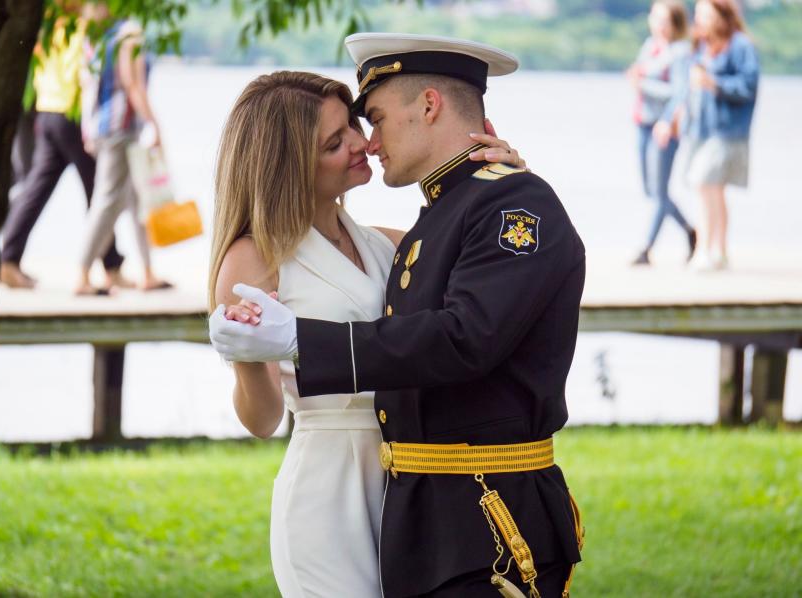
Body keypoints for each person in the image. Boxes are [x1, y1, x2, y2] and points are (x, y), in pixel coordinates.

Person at [210, 33, 586, 597]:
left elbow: (476, 286)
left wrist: (501, 183)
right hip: (330, 487)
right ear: (292, 162)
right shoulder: (257, 254)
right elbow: (262, 419)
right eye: (335, 141)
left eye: (365, 124)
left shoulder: (391, 245)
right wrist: (248, 357)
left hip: (411, 495)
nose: (364, 143)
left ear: (428, 105)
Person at [0, 8, 128, 290]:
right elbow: (88, 77)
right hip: (72, 115)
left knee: (37, 188)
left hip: (47, 112)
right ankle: (111, 267)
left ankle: (8, 259)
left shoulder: (49, 28)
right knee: (99, 190)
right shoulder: (82, 30)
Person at [75, 5, 171, 295]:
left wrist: (87, 130)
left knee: (137, 198)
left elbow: (86, 86)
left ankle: (147, 271)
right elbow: (133, 85)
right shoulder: (129, 36)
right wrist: (156, 127)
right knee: (106, 203)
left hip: (101, 127)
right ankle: (81, 274)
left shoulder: (93, 36)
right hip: (122, 129)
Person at [682, 0, 759, 270]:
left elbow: (748, 86)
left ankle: (705, 250)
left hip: (728, 130)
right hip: (703, 130)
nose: (700, 19)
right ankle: (719, 252)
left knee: (705, 185)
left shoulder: (741, 45)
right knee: (711, 191)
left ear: (723, 16)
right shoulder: (703, 45)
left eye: (706, 14)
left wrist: (714, 83)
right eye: (699, 14)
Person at [627, 0, 698, 266]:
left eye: (665, 20)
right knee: (651, 189)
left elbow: (679, 92)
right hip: (642, 123)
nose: (659, 25)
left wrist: (643, 85)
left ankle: (646, 249)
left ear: (676, 23)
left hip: (665, 128)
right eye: (655, 18)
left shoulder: (680, 52)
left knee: (659, 191)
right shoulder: (649, 47)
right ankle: (690, 230)